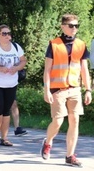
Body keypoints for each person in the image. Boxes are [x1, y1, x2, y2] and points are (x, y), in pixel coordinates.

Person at [40, 14, 92, 167]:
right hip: (57, 89)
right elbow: (47, 70)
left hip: (75, 88)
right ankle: (48, 142)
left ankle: (70, 156)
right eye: (71, 26)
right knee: (57, 121)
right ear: (63, 26)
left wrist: (88, 89)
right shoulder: (54, 44)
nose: (74, 29)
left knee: (75, 121)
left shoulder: (81, 45)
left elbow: (84, 69)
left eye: (76, 26)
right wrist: (46, 90)